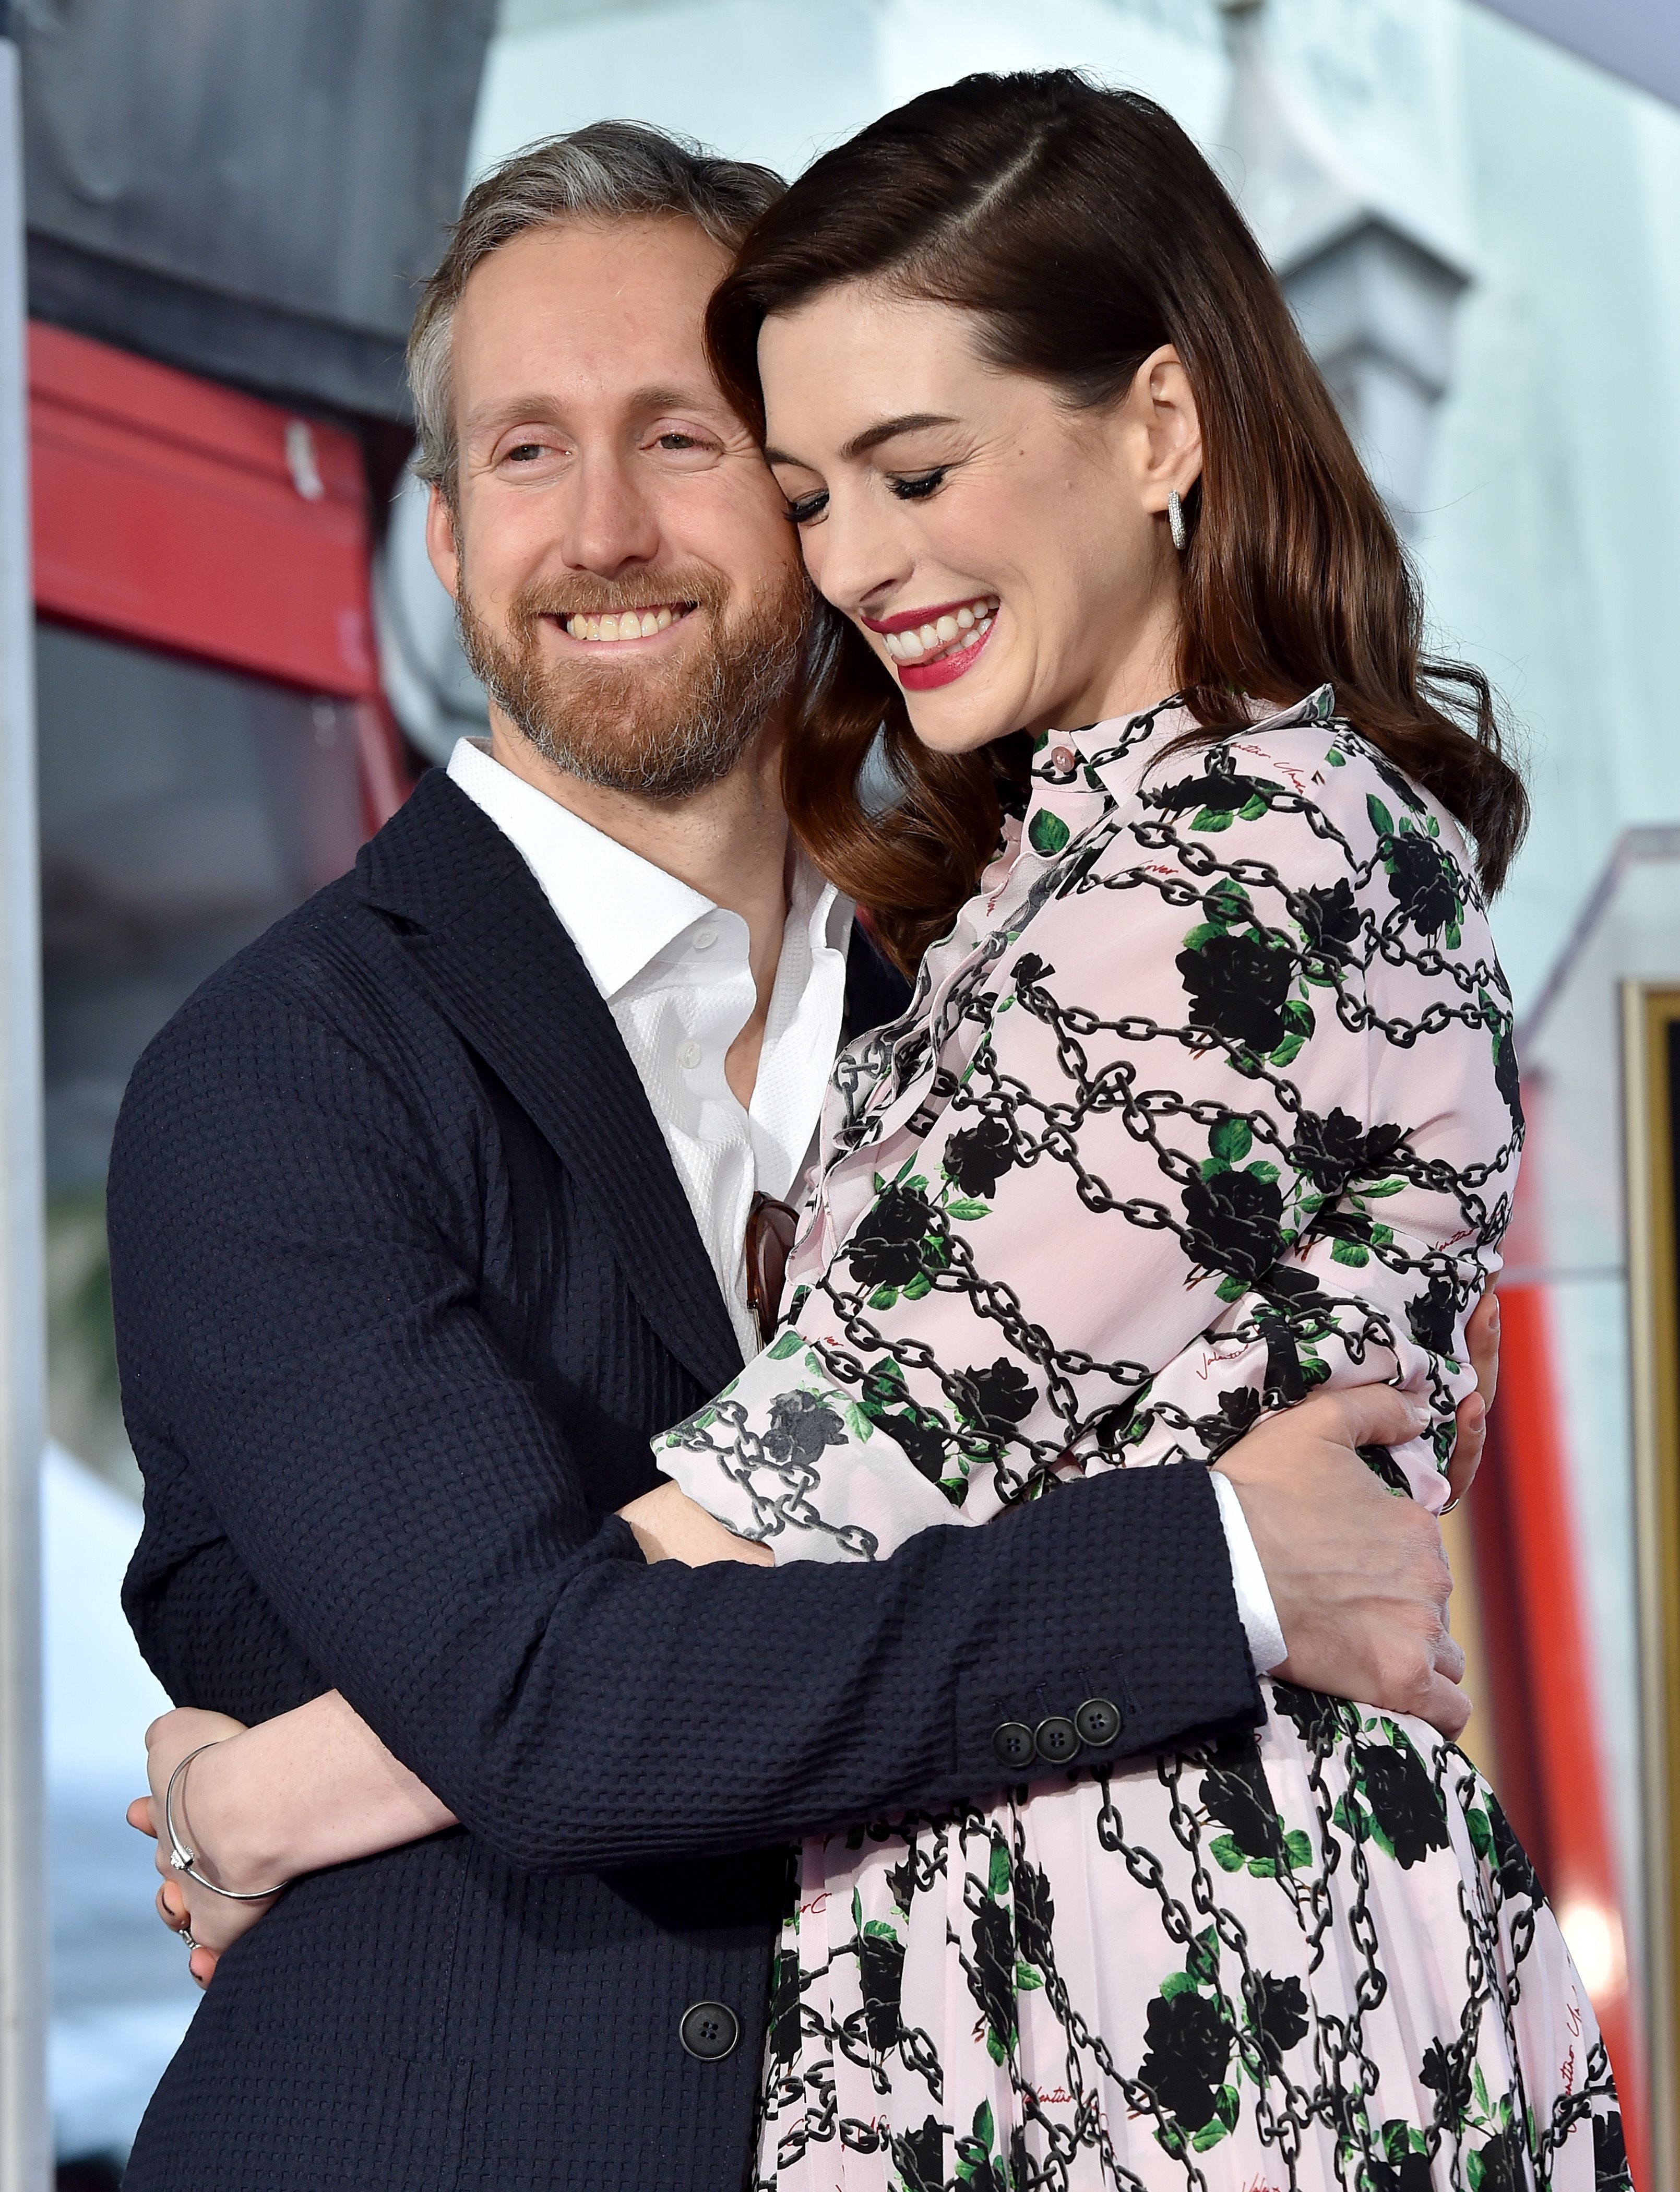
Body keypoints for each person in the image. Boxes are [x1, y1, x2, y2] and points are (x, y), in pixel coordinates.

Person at [120, 122, 1492, 2192]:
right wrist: (1216, 1576)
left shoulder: (1038, 963)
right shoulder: (286, 1072)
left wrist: (285, 1787)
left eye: (687, 442)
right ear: (434, 533)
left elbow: (651, 1614)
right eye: (520, 453)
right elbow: (550, 1700)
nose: (601, 528)